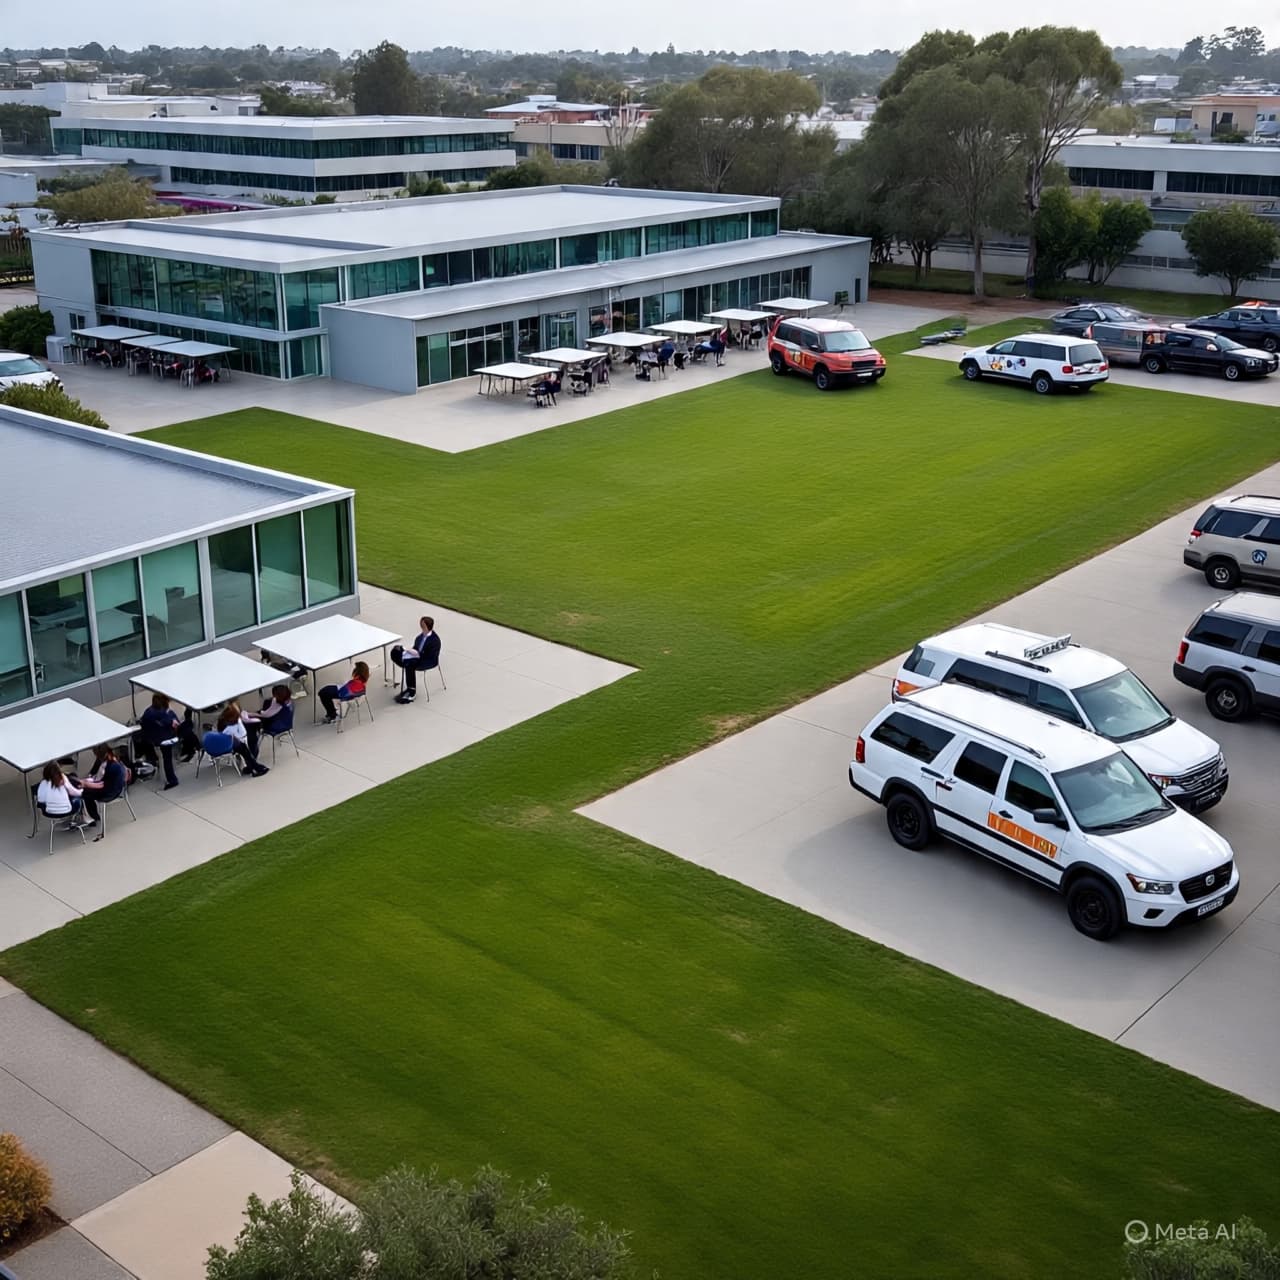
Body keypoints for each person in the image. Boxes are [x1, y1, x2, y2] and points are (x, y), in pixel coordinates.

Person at [139, 692, 200, 791]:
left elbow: (145, 724)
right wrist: (173, 723)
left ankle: (172, 779)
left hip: (158, 739)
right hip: (167, 739)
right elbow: (173, 721)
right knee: (188, 726)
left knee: (166, 758)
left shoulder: (149, 712)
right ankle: (194, 748)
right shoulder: (165, 712)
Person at [75, 745, 127, 838]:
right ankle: (92, 815)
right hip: (118, 789)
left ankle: (91, 818)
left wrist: (85, 783)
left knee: (83, 793)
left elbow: (100, 784)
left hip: (108, 793)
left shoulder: (106, 766)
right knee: (86, 788)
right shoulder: (115, 760)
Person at [392, 617, 441, 704]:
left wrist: (414, 653)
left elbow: (429, 655)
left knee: (410, 664)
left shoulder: (435, 640)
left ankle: (411, 691)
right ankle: (405, 664)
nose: (421, 626)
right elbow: (415, 649)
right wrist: (406, 652)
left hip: (428, 660)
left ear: (427, 626)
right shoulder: (419, 637)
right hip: (417, 657)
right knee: (396, 652)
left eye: (422, 625)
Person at [215, 705, 268, 777]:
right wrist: (239, 722)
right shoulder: (232, 725)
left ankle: (253, 767)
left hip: (228, 742)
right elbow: (242, 734)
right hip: (229, 745)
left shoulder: (223, 721)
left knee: (246, 748)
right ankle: (254, 768)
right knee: (247, 746)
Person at [243, 686, 292, 757]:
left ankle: (252, 752)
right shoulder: (288, 702)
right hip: (282, 721)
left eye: (274, 695)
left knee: (250, 725)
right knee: (264, 705)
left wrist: (251, 714)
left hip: (275, 725)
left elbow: (266, 715)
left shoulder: (280, 707)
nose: (273, 696)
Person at [37, 761, 87, 828]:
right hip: (67, 810)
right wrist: (84, 790)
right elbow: (74, 792)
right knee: (78, 799)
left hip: (49, 812)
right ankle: (79, 820)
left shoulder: (43, 783)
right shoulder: (62, 778)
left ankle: (69, 819)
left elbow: (40, 800)